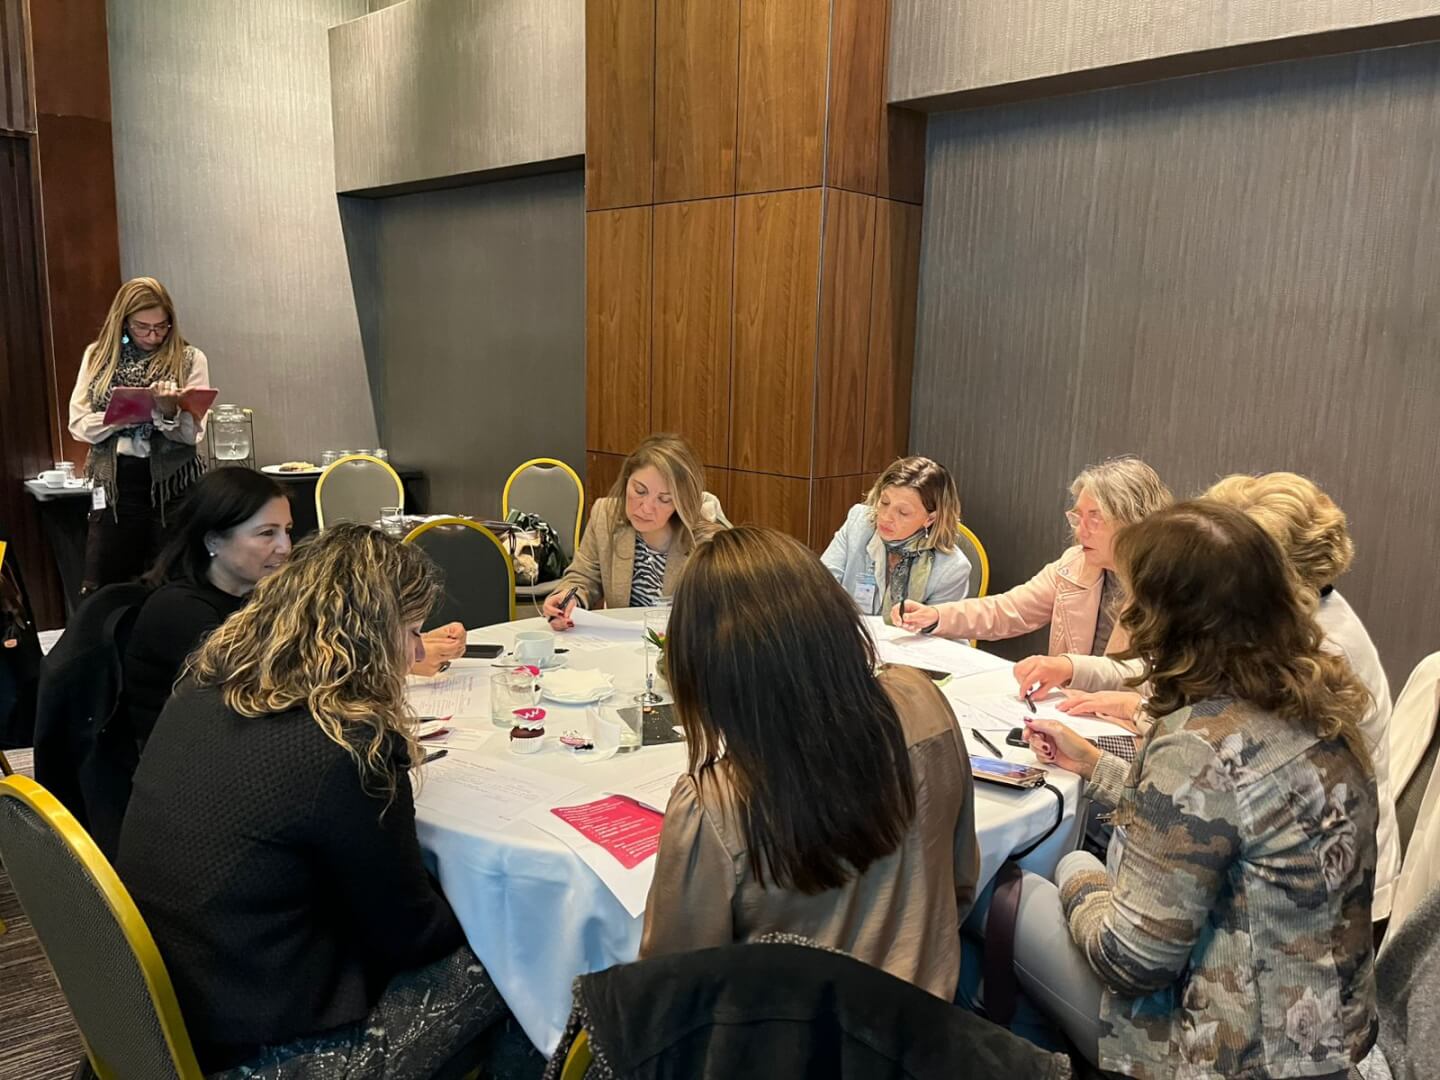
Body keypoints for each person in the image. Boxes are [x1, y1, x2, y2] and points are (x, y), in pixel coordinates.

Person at [117, 525, 502, 1076]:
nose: (418, 652)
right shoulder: (345, 742)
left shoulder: (204, 687)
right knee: (517, 959)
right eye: (412, 631)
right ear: (368, 636)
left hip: (164, 1013)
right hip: (267, 1050)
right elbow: (412, 938)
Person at [1014, 502, 1377, 1078]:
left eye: (1134, 598)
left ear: (1167, 618)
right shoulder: (1321, 705)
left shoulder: (1197, 742)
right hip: (1320, 1041)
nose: (1127, 611)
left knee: (1007, 894)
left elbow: (1129, 960)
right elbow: (1223, 820)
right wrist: (1095, 767)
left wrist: (1078, 873)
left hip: (1223, 1054)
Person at [639, 527, 980, 1001]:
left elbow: (672, 993)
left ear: (707, 666)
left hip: (791, 1036)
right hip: (928, 1020)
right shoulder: (923, 701)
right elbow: (961, 881)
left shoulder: (716, 805)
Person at [1055, 471, 1401, 923]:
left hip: (1282, 916)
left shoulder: (1302, 658)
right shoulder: (1302, 626)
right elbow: (1212, 802)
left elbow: (1135, 946)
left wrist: (1076, 872)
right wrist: (1099, 758)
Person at [892, 457, 1171, 694]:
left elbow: (1150, 677)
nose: (1080, 530)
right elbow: (1009, 610)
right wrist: (936, 616)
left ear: (1133, 521)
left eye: (1094, 518)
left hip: (1129, 727)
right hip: (1070, 713)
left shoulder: (1170, 583)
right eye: (1077, 517)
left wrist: (1069, 667)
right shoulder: (1075, 564)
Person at [69, 277, 210, 592]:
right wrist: (124, 414)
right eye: (142, 327)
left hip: (173, 483)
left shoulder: (190, 358)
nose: (153, 336)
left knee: (172, 580)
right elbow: (78, 425)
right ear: (123, 323)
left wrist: (169, 412)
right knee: (109, 582)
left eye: (161, 327)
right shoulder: (98, 356)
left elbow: (191, 436)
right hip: (116, 483)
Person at [543, 434, 728, 627]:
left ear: (681, 502)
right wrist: (568, 599)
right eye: (640, 491)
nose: (646, 508)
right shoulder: (605, 516)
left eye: (664, 499)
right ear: (626, 480)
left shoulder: (707, 542)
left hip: (679, 642)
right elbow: (583, 577)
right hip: (620, 639)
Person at [820, 456, 971, 623]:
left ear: (930, 519)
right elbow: (820, 587)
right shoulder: (858, 524)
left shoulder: (952, 569)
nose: (886, 517)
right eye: (884, 502)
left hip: (909, 640)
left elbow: (937, 634)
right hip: (849, 634)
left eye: (903, 512)